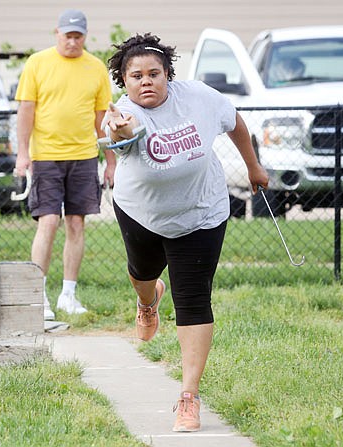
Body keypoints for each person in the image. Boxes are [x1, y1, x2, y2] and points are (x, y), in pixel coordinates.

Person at [101, 33, 269, 432]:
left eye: (154, 74)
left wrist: (253, 166)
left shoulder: (199, 97)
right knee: (142, 274)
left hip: (201, 214)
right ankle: (147, 302)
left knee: (193, 300)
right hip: (141, 213)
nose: (146, 81)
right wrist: (121, 131)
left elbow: (235, 123)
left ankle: (188, 397)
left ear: (168, 75)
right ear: (124, 82)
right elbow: (120, 136)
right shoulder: (123, 114)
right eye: (136, 75)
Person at [14, 9, 116, 320]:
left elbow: (103, 120)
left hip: (84, 157)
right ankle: (38, 294)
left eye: (78, 36)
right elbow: (26, 111)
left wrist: (110, 162)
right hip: (46, 156)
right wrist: (22, 153)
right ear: (57, 33)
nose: (72, 41)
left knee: (76, 223)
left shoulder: (96, 68)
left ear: (85, 36)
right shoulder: (37, 63)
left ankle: (68, 295)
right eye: (67, 35)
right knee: (48, 221)